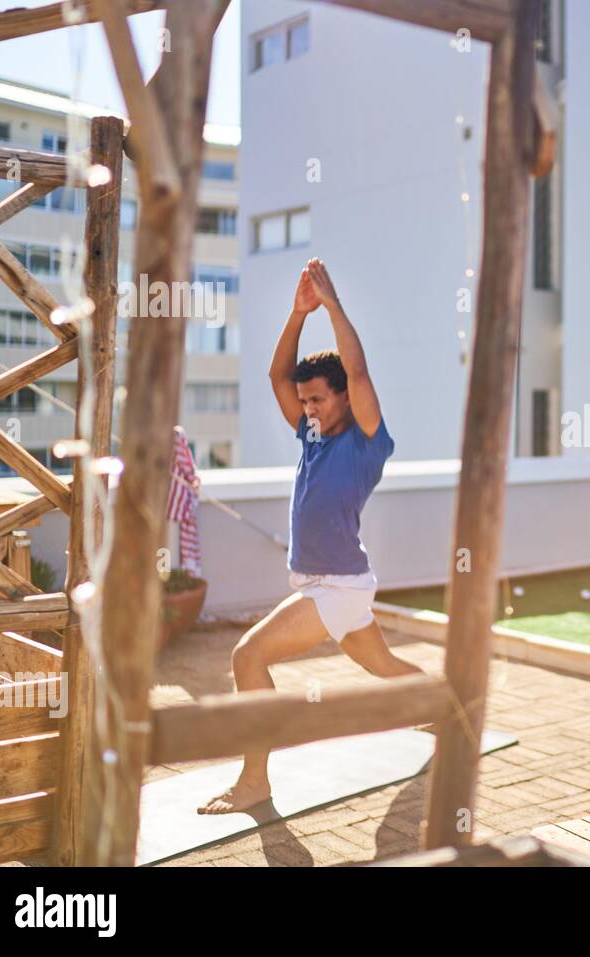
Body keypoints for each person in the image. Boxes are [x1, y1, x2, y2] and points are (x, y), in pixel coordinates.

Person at [199, 258, 422, 814]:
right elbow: (278, 377)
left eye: (318, 399)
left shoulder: (367, 440)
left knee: (248, 658)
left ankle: (255, 782)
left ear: (346, 397)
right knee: (384, 666)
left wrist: (332, 306)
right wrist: (298, 314)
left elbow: (360, 371)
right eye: (305, 403)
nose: (308, 409)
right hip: (330, 581)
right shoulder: (313, 435)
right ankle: (450, 706)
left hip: (337, 586)